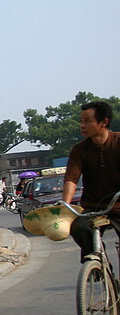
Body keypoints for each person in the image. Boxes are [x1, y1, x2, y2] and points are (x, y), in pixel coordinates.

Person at [62, 101, 120, 261]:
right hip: (94, 207)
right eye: (81, 121)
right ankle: (98, 259)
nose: (82, 125)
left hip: (119, 205)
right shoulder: (79, 150)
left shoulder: (118, 142)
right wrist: (65, 204)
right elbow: (71, 178)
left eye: (87, 121)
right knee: (79, 227)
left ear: (104, 122)